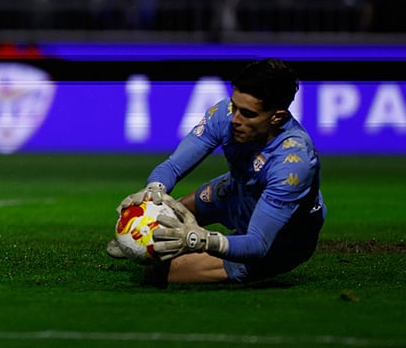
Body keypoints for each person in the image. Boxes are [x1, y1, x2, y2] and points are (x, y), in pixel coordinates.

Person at [108, 58, 325, 285]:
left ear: (277, 116)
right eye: (234, 106)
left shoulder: (295, 161)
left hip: (280, 239)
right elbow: (173, 166)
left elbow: (258, 243)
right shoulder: (226, 114)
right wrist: (154, 189)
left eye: (248, 114)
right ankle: (142, 243)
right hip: (236, 193)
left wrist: (202, 241)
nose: (235, 119)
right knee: (162, 221)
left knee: (158, 273)